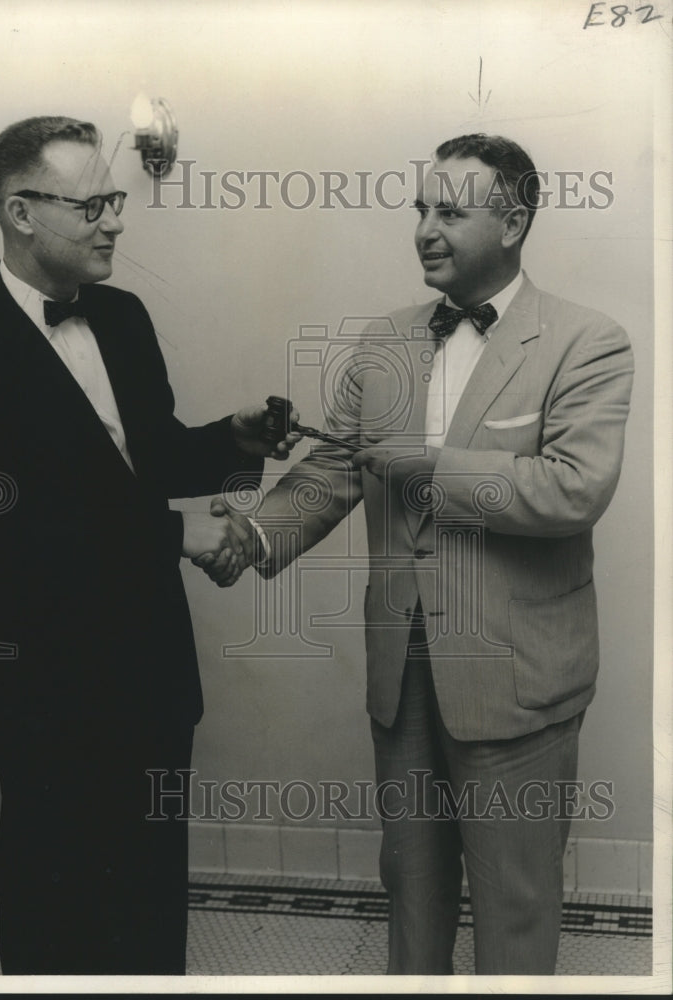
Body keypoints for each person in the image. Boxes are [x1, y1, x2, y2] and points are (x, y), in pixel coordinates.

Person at [206, 134, 634, 974]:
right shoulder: (384, 340)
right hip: (400, 673)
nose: (424, 230)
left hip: (518, 677)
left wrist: (427, 468)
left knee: (515, 901)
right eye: (419, 210)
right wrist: (252, 534)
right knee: (411, 885)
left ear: (512, 222)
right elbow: (332, 469)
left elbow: (572, 489)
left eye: (449, 211)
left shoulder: (588, 341)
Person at [0, 115, 298, 975]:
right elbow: (6, 535)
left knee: (151, 889)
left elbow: (143, 462)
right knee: (54, 892)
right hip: (41, 673)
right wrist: (174, 535)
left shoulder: (122, 314)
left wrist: (230, 443)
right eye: (92, 205)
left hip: (150, 661)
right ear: (20, 211)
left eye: (114, 200)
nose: (115, 221)